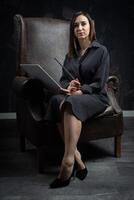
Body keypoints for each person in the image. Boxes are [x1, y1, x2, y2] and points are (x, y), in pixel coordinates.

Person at [45, 11, 110, 188]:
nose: (79, 28)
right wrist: (69, 85)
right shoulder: (70, 55)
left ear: (90, 26)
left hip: (96, 97)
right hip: (76, 96)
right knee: (55, 101)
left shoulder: (101, 51)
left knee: (71, 102)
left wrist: (82, 91)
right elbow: (64, 80)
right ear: (73, 30)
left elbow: (100, 82)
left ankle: (67, 162)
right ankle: (78, 159)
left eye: (83, 24)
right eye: (76, 25)